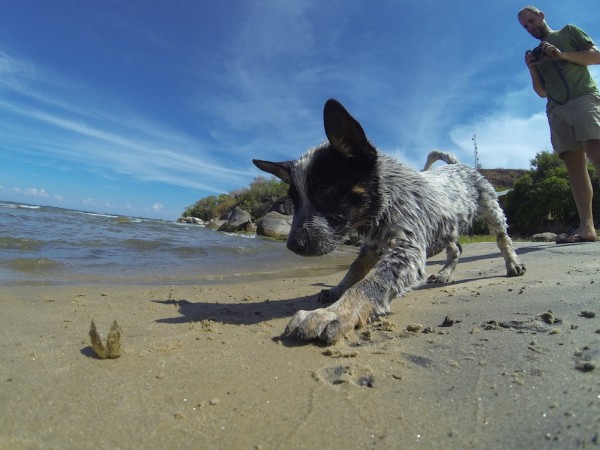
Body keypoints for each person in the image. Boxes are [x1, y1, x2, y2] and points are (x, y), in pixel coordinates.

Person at [518, 6, 600, 243]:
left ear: (541, 15)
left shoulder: (568, 32)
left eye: (532, 21)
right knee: (574, 167)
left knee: (597, 153)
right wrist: (533, 69)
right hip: (555, 109)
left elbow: (595, 56)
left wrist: (561, 54)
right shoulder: (537, 54)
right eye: (526, 26)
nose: (531, 27)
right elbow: (542, 92)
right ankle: (587, 228)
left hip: (583, 98)